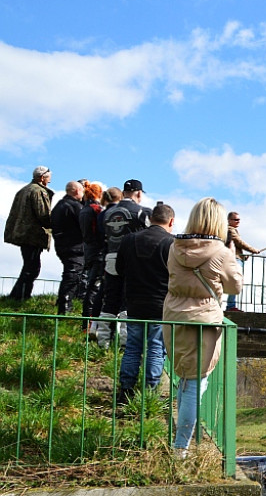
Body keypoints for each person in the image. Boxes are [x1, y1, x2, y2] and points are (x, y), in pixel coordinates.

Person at [163, 198, 243, 458]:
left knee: (186, 381)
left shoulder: (175, 247)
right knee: (196, 383)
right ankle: (180, 449)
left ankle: (180, 445)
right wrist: (233, 258)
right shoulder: (221, 252)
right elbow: (235, 287)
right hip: (203, 323)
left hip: (174, 318)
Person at [115, 203, 175, 407]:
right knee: (156, 348)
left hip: (134, 302)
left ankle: (125, 391)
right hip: (160, 304)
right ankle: (150, 393)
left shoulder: (129, 239)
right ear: (171, 221)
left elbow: (118, 268)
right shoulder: (171, 243)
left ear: (150, 218)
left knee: (132, 347)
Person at [97, 179, 152, 349]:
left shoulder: (107, 212)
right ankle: (125, 343)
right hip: (133, 260)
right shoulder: (142, 211)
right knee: (129, 301)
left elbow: (101, 235)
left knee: (110, 299)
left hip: (111, 257)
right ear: (139, 193)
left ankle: (103, 342)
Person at [4, 166, 54, 301]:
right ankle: (20, 296)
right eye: (49, 177)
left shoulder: (24, 190)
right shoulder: (38, 191)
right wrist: (58, 223)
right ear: (42, 178)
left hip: (22, 233)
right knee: (31, 267)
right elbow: (43, 215)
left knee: (29, 265)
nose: (50, 180)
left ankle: (17, 295)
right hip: (32, 234)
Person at [78, 182, 110, 331]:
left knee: (91, 285)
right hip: (97, 251)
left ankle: (86, 321)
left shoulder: (84, 209)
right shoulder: (96, 209)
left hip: (88, 250)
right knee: (94, 287)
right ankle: (89, 322)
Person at [50, 180, 85, 314]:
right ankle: (64, 308)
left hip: (62, 244)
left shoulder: (60, 205)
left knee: (70, 273)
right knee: (72, 275)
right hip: (74, 246)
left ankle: (63, 302)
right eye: (82, 190)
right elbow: (83, 224)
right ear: (76, 191)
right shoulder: (75, 206)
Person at [224, 211, 260, 312]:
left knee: (236, 281)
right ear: (229, 220)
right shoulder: (230, 230)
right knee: (236, 281)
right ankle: (230, 306)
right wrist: (253, 250)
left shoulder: (233, 230)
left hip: (237, 258)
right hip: (234, 259)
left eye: (239, 219)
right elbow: (239, 242)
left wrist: (243, 256)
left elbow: (238, 247)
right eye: (235, 219)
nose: (238, 221)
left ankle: (231, 305)